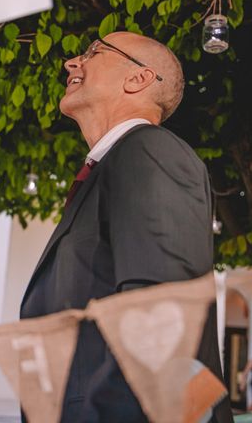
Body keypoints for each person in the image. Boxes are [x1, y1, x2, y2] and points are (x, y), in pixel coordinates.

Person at [20, 32, 232, 422]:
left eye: (94, 53)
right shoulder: (110, 169)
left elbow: (162, 318)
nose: (71, 62)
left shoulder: (151, 151)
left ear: (138, 79)